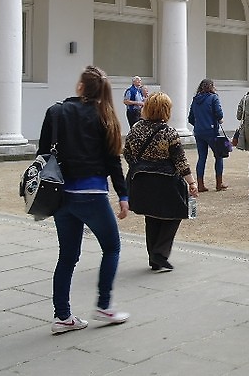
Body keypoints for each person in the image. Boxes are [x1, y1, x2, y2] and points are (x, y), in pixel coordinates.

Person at [38, 65, 129, 335]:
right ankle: (104, 305)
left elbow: (43, 153)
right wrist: (123, 195)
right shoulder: (105, 115)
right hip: (91, 193)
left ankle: (62, 316)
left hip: (61, 194)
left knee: (67, 257)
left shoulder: (56, 112)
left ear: (80, 87)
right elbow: (113, 160)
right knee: (111, 247)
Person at [123, 92, 198, 272]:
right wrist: (192, 182)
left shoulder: (135, 129)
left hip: (142, 181)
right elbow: (180, 160)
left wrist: (139, 165)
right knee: (176, 213)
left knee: (151, 218)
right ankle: (160, 253)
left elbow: (127, 153)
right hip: (166, 181)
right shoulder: (168, 132)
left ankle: (154, 258)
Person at [187, 78, 226, 192]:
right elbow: (219, 113)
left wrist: (198, 125)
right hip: (211, 131)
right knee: (218, 156)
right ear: (211, 87)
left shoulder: (195, 99)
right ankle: (219, 183)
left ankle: (200, 185)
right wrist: (219, 119)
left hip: (199, 131)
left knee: (202, 157)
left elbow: (190, 118)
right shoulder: (213, 98)